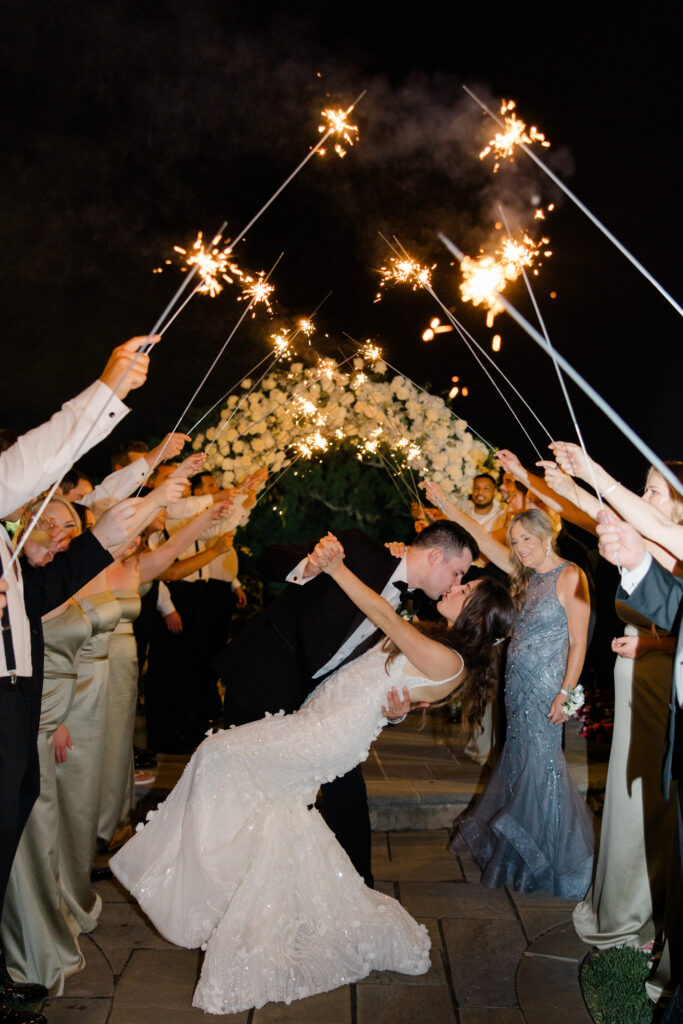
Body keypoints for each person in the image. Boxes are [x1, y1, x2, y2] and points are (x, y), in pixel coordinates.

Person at [111, 535, 516, 1014]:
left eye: (465, 590)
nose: (457, 586)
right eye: (459, 577)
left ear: (475, 616)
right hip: (320, 718)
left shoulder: (450, 659)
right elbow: (398, 685)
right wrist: (399, 709)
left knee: (219, 756)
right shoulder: (442, 647)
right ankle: (250, 903)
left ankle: (201, 882)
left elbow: (386, 621)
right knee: (272, 806)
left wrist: (340, 568)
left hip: (327, 734)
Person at [214, 520, 479, 886]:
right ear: (435, 556)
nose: (455, 583)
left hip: (326, 714)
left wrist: (395, 713)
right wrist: (311, 565)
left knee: (347, 798)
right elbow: (269, 559)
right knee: (243, 783)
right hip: (266, 677)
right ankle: (231, 875)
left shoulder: (418, 609)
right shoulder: (357, 548)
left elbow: (386, 676)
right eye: (458, 572)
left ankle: (355, 890)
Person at [450, 508, 594, 898]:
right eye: (514, 542)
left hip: (547, 690)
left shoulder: (570, 575)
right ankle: (521, 855)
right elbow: (481, 540)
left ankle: (551, 858)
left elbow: (578, 641)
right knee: (518, 762)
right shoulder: (526, 576)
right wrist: (446, 504)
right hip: (516, 687)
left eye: (525, 539)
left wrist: (565, 692)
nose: (518, 548)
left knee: (543, 767)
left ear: (546, 536)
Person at [597, 509, 682, 1021]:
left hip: (657, 680)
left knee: (658, 808)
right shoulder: (646, 548)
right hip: (643, 681)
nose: (639, 499)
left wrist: (648, 645)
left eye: (651, 491)